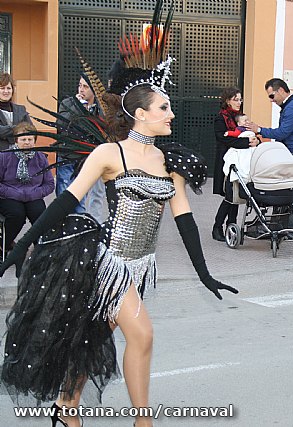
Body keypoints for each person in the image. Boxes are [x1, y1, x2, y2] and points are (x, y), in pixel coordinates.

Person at [0, 5, 237, 426]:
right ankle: (142, 421)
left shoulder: (171, 162)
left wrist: (204, 273)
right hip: (107, 261)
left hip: (142, 263)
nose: (172, 113)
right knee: (142, 334)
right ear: (141, 113)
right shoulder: (111, 153)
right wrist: (22, 246)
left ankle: (65, 407)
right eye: (164, 107)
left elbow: (184, 221)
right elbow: (65, 201)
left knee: (95, 336)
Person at [56, 74, 108, 223]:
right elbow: (62, 125)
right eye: (80, 85)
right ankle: (64, 224)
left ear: (93, 90)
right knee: (66, 191)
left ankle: (90, 225)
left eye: (85, 87)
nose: (81, 89)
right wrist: (79, 108)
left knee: (95, 193)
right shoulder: (68, 103)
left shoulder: (101, 108)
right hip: (68, 154)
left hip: (92, 155)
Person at [212, 88, 259, 241]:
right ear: (227, 101)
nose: (239, 102)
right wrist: (246, 142)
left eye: (240, 99)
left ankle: (231, 226)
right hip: (228, 160)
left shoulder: (239, 117)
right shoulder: (221, 118)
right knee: (229, 196)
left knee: (236, 195)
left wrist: (255, 139)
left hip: (242, 161)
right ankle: (217, 227)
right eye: (236, 99)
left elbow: (249, 132)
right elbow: (223, 138)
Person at [0, 122, 54, 254]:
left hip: (33, 195)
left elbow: (49, 184)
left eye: (30, 139)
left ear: (34, 141)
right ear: (16, 140)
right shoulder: (4, 157)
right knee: (17, 215)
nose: (26, 142)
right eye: (23, 139)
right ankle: (4, 245)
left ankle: (40, 249)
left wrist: (35, 193)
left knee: (39, 214)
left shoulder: (40, 157)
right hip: (9, 195)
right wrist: (14, 193)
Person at [247, 78, 293, 178]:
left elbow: (283, 132)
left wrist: (259, 130)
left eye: (272, 96)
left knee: (290, 186)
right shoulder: (292, 105)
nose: (271, 100)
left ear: (281, 90)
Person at [0, 73, 33, 150]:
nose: (6, 91)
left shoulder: (21, 109)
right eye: (2, 88)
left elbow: (31, 129)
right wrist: (19, 128)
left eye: (8, 88)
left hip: (19, 155)